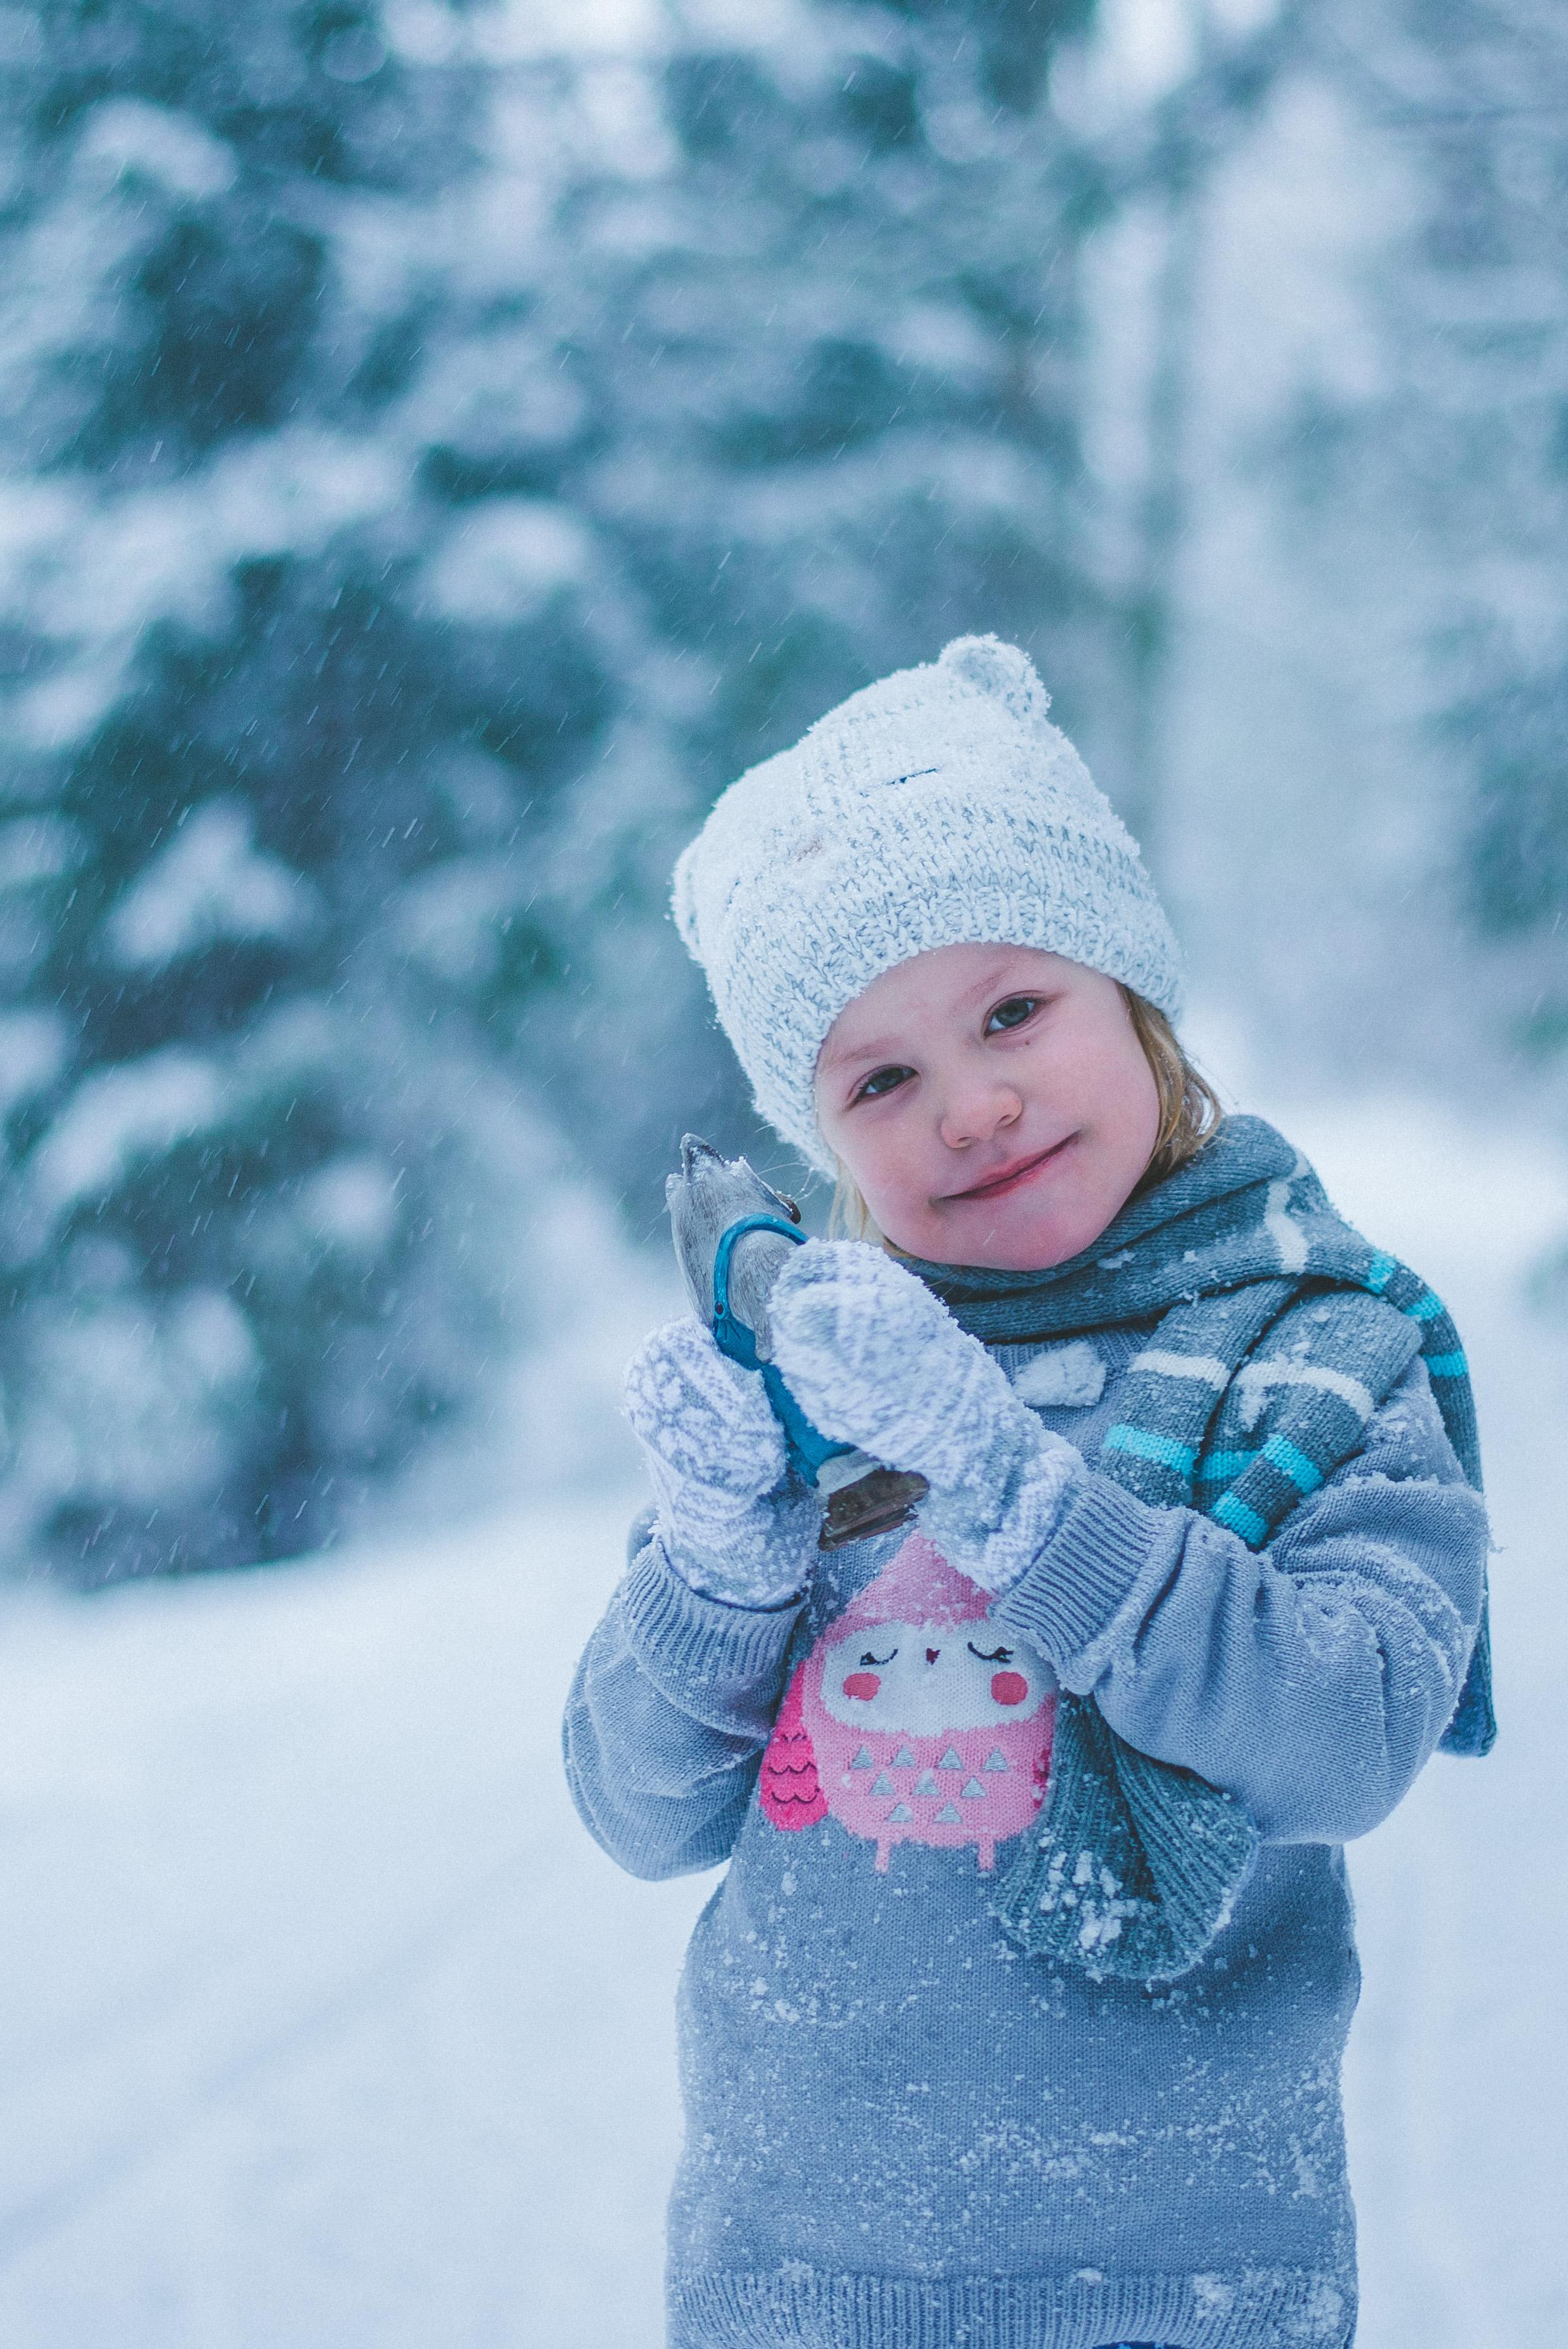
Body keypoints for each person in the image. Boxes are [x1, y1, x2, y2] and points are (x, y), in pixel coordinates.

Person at [563, 636, 1493, 2349]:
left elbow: (1347, 1731)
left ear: (1130, 992)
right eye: (880, 1078)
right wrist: (715, 1563)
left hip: (1185, 2278)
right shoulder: (814, 1386)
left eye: (1012, 1011)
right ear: (822, 1136)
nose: (972, 1105)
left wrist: (1013, 1492)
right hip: (801, 2278)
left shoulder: (1319, 1355)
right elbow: (639, 1813)